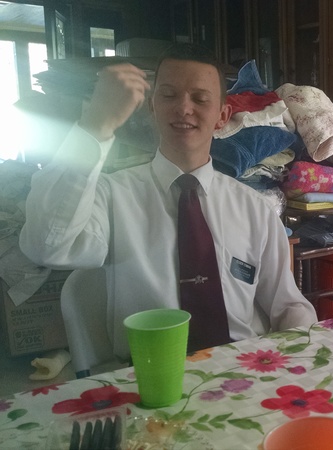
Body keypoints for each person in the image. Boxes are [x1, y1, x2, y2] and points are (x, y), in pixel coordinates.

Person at [19, 44, 317, 358]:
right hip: (146, 373)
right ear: (151, 106)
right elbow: (45, 246)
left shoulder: (254, 208)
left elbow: (287, 304)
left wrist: (299, 356)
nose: (184, 108)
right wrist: (96, 125)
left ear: (222, 116)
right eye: (169, 95)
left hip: (238, 372)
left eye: (200, 99)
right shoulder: (110, 196)